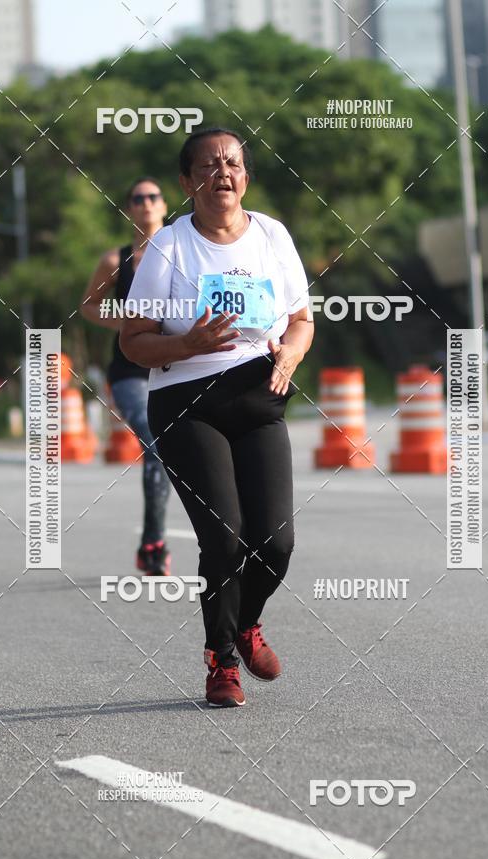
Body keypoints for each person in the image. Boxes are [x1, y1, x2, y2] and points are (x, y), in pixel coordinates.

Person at [120, 128, 314, 707]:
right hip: (187, 403)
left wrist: (291, 353)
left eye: (233, 163)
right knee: (224, 538)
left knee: (275, 543)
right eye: (208, 165)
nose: (222, 173)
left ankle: (246, 622)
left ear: (246, 177)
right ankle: (222, 660)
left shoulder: (272, 236)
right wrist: (189, 344)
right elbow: (133, 340)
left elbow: (301, 320)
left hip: (260, 398)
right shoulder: (168, 248)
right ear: (187, 182)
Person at [80, 177, 172, 575]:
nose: (146, 203)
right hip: (130, 372)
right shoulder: (115, 261)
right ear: (129, 209)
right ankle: (153, 544)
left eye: (153, 196)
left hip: (176, 367)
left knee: (181, 451)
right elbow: (89, 305)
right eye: (138, 198)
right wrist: (123, 321)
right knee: (155, 443)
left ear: (164, 205)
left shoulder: (182, 253)